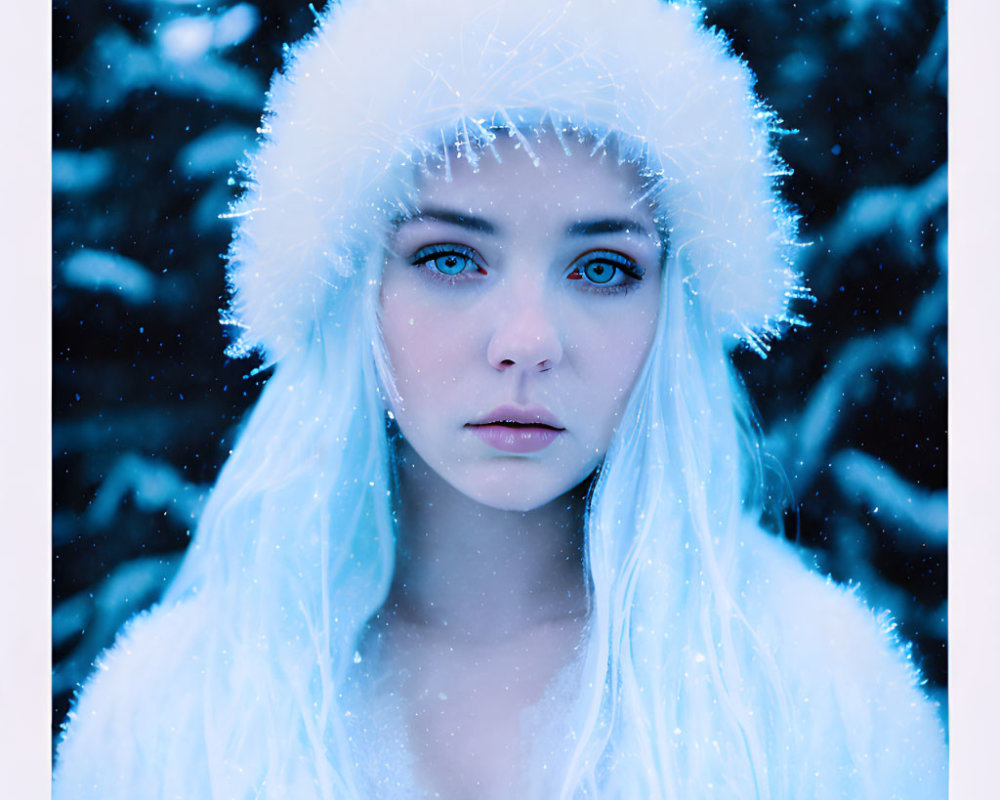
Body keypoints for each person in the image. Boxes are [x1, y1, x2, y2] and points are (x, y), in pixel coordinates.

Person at [54, 0, 947, 797]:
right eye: (450, 258)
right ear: (351, 290)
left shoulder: (822, 696)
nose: (527, 340)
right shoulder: (168, 723)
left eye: (604, 267)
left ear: (674, 306)